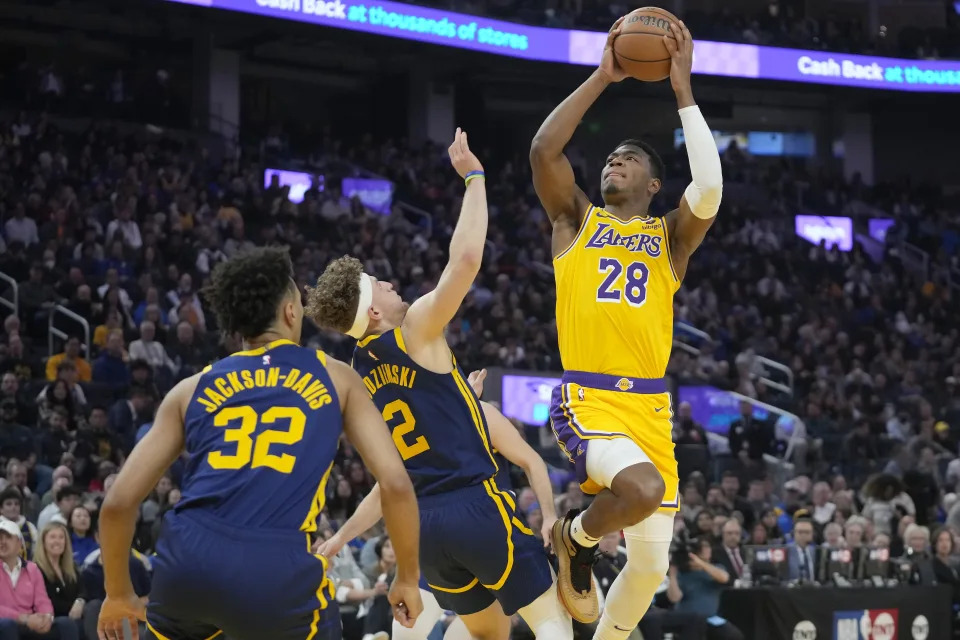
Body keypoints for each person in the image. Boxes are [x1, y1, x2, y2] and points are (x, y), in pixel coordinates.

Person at [308, 130, 572, 640]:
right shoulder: (413, 330)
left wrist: (460, 404)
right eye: (381, 285)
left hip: (423, 529)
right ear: (376, 311)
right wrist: (474, 179)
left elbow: (391, 478)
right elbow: (466, 261)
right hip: (475, 504)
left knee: (489, 634)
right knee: (551, 623)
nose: (392, 284)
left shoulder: (363, 372)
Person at [96, 247, 423, 640]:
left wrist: (117, 593)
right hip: (274, 563)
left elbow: (117, 504)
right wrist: (406, 577)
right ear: (289, 312)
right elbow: (396, 484)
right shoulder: (336, 377)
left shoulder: (190, 388)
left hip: (188, 559)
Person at [528, 13, 722, 637]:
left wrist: (683, 90)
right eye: (610, 157)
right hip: (590, 397)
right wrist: (602, 76)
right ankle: (576, 538)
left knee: (647, 568)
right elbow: (543, 151)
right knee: (640, 489)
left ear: (653, 182)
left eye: (629, 158)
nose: (614, 161)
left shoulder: (668, 238)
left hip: (651, 409)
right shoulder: (575, 218)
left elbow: (711, 188)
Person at [0, 519, 79, 640]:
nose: (3, 542)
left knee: (66, 624)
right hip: (7, 624)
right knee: (7, 625)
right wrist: (22, 618)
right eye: (0, 538)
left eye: (8, 538)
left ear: (19, 543)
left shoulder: (32, 569)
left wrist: (46, 618)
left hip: (29, 624)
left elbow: (42, 600)